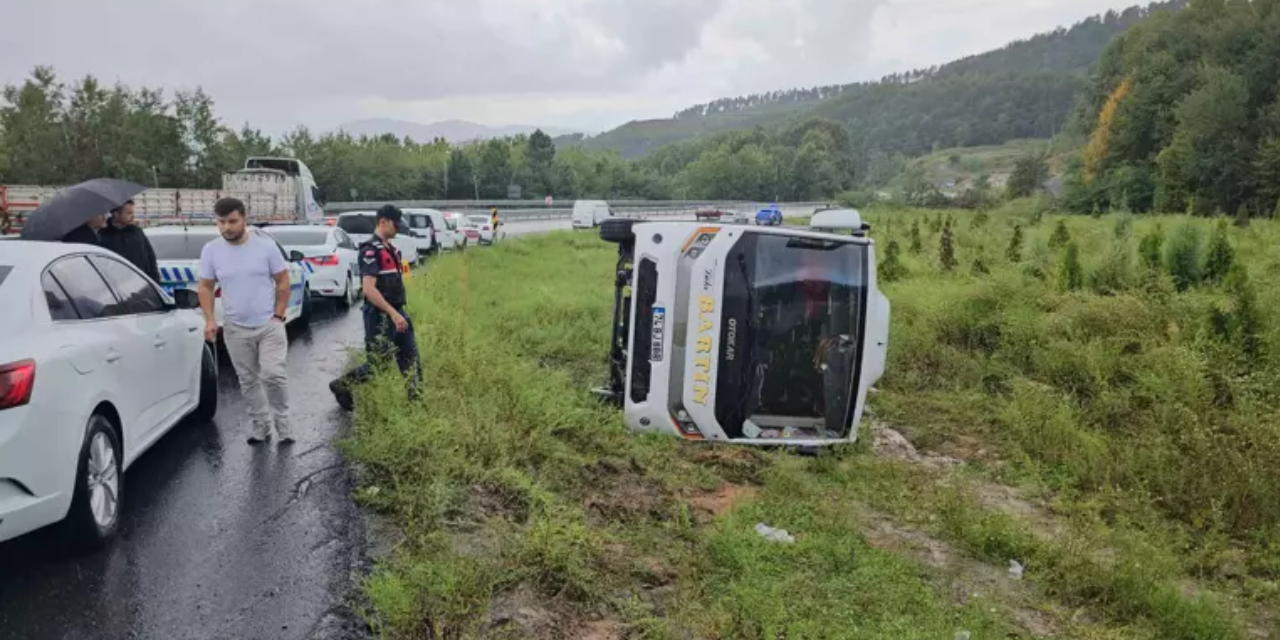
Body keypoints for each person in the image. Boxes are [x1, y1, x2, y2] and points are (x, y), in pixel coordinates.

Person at [197, 197, 294, 445]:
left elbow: (283, 281)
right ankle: (261, 426)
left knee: (273, 374)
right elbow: (206, 287)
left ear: (244, 220)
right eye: (221, 222)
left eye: (232, 221)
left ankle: (284, 423)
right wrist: (209, 320)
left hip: (268, 324)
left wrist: (279, 314)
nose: (226, 227)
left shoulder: (265, 247)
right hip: (235, 328)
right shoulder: (211, 250)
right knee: (248, 380)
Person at [329, 204, 422, 410]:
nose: (398, 228)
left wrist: (399, 314)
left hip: (398, 313)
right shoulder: (370, 250)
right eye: (396, 224)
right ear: (383, 222)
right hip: (379, 316)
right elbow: (369, 289)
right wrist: (393, 314)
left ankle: (417, 404)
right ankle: (341, 385)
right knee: (378, 364)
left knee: (411, 360)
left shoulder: (392, 250)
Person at [99, 200, 160, 282]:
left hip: (141, 285)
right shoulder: (102, 235)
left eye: (133, 213)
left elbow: (150, 258)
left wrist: (155, 282)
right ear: (116, 214)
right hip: (115, 286)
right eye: (129, 213)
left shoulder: (137, 232)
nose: (133, 216)